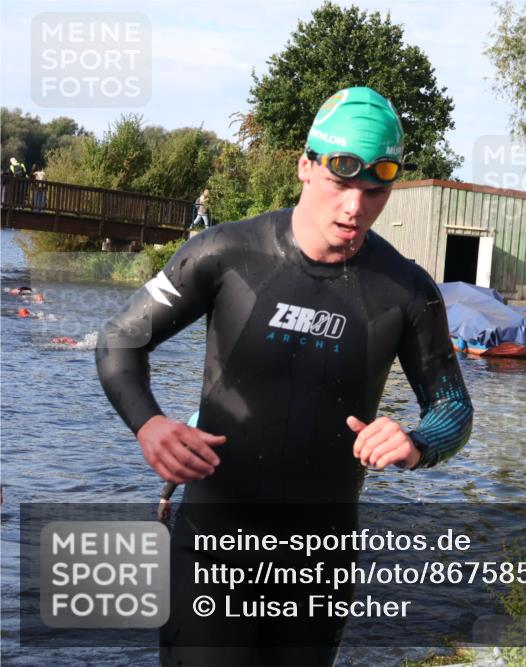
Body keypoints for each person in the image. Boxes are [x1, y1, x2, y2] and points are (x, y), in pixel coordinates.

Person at [95, 87, 473, 666]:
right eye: (341, 183)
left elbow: (454, 409)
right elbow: (120, 341)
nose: (355, 207)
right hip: (212, 552)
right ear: (305, 165)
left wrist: (417, 443)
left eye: (375, 191)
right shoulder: (225, 253)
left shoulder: (407, 291)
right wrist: (149, 425)